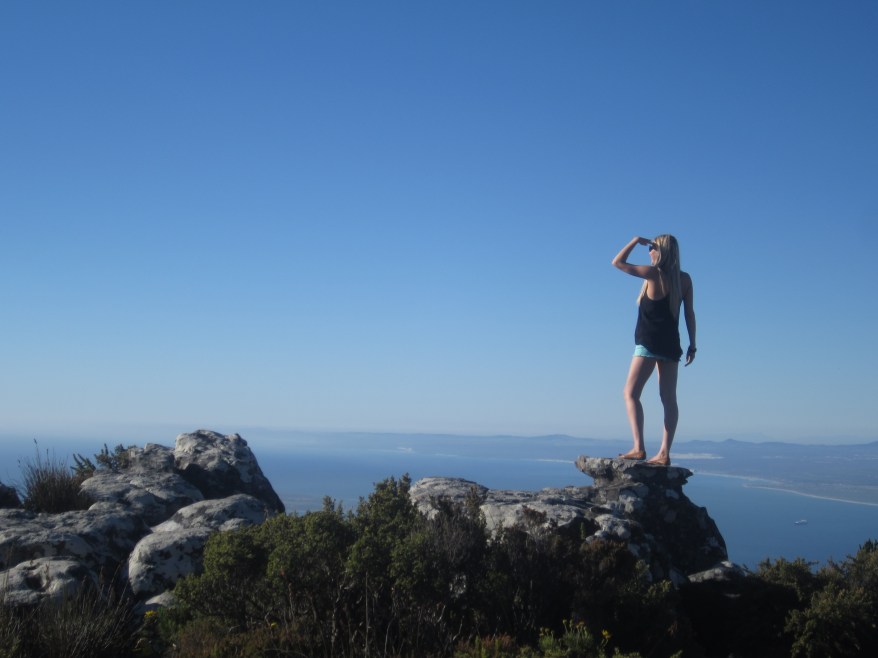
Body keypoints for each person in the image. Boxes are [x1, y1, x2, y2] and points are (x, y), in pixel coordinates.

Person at [611, 235, 696, 466]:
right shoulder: (684, 280)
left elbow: (617, 262)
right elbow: (689, 314)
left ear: (661, 251)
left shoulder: (652, 274)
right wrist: (693, 345)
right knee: (669, 399)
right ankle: (664, 453)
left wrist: (634, 240)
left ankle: (639, 447)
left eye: (652, 248)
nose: (648, 251)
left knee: (630, 393)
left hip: (648, 343)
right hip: (671, 345)